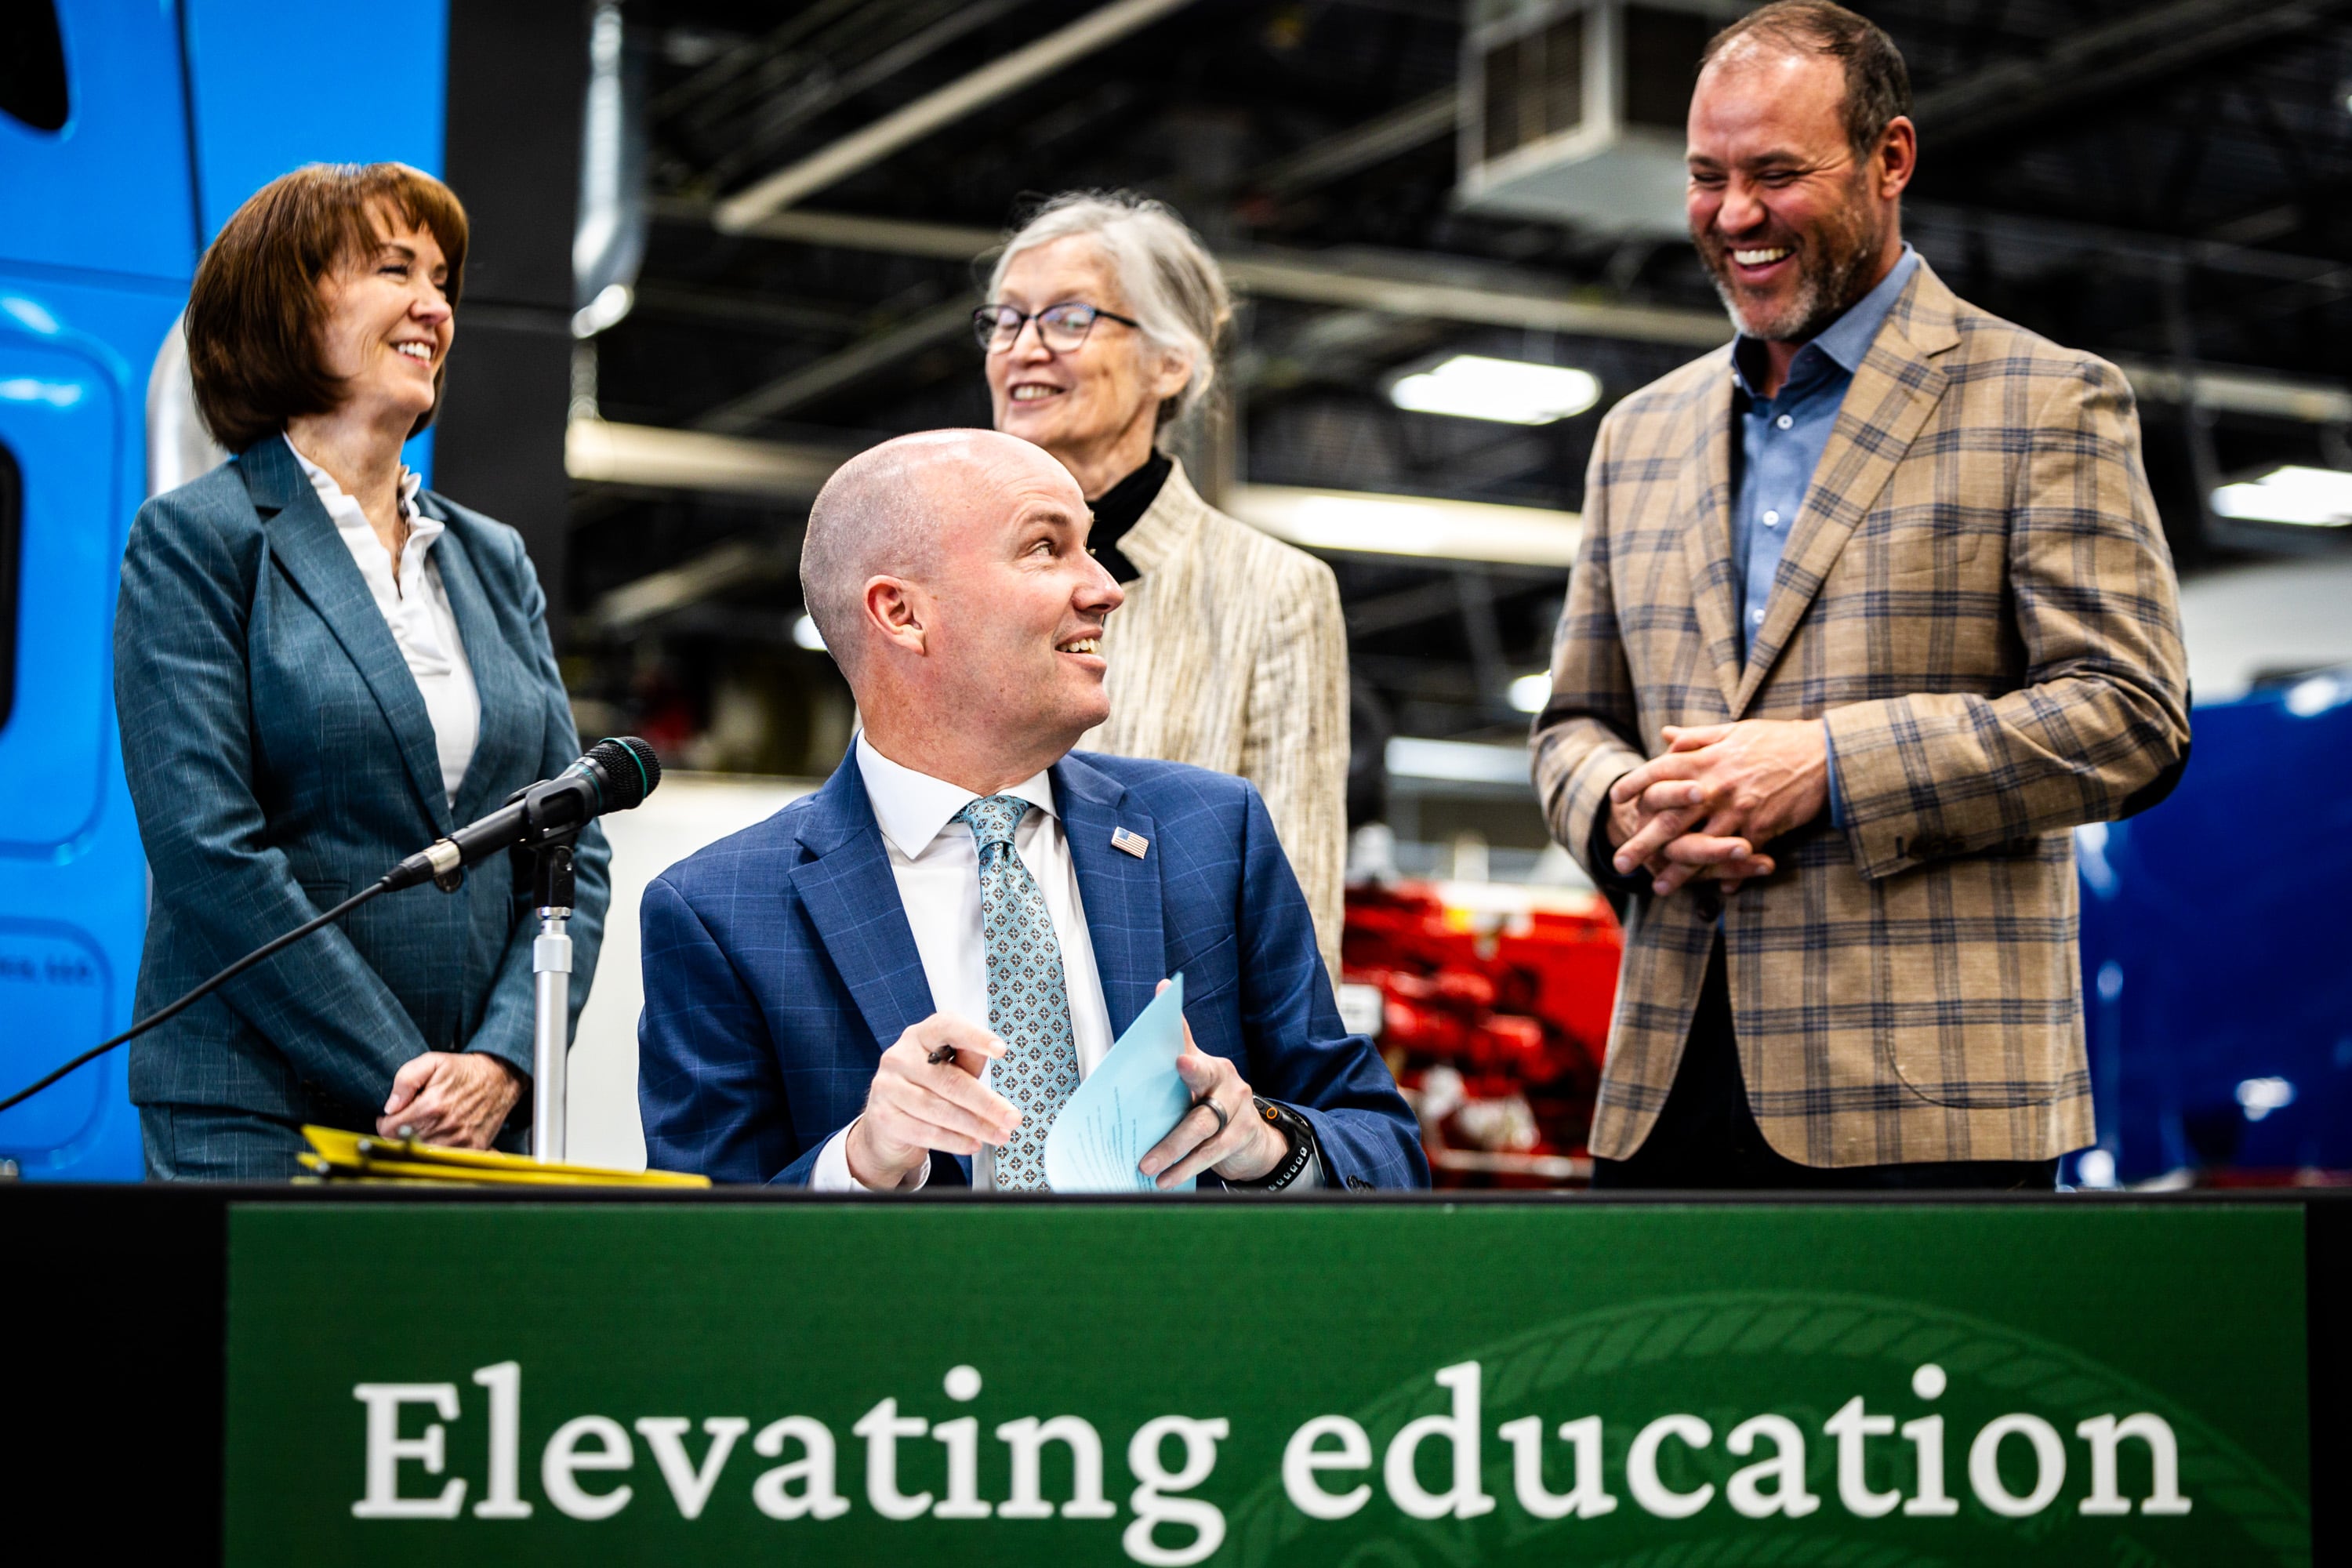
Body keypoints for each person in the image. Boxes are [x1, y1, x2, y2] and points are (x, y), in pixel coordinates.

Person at [1530, 2, 2188, 1189]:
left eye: (1777, 174)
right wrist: (1621, 801)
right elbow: (1569, 722)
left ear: (1891, 158)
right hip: (1666, 1094)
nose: (1734, 216)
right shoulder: (1640, 434)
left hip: (1932, 1107)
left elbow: (2129, 715)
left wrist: (1828, 766)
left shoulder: (2047, 400)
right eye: (1706, 177)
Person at [637, 430, 1422, 1191]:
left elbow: (1385, 1147)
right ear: (902, 613)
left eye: (1092, 545)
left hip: (1186, 1323)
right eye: (1047, 547)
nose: (1107, 589)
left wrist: (1265, 1142)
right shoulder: (719, 911)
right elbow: (694, 1266)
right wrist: (860, 1162)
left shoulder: (1213, 833)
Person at [114, 163, 608, 1179]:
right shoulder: (196, 540)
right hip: (258, 1116)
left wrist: (503, 1061)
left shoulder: (491, 558)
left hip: (474, 1125)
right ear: (285, 302)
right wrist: (406, 1072)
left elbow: (575, 841)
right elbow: (209, 851)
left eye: (441, 281)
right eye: (394, 269)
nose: (435, 304)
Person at [980, 192, 1350, 981]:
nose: (1024, 347)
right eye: (1005, 320)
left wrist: (1271, 1106)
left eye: (1069, 318)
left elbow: (1300, 906)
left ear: (1170, 362)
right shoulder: (941, 576)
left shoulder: (1275, 592)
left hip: (1174, 1059)